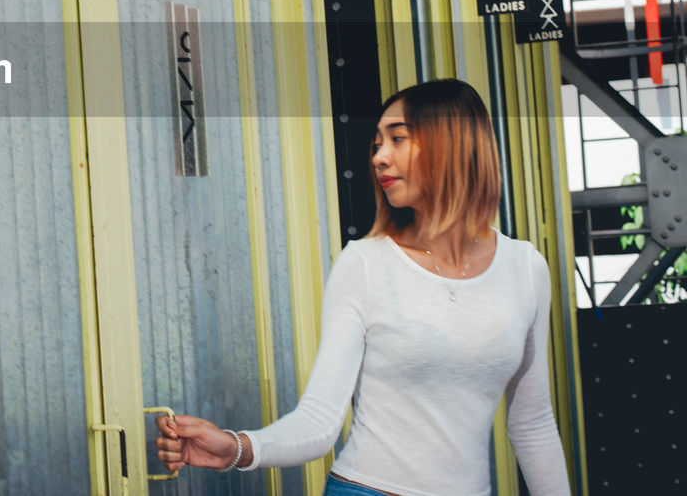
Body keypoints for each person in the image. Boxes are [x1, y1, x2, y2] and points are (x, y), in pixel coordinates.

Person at [155, 78, 571, 496]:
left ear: (452, 144)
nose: (379, 158)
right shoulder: (366, 263)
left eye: (398, 139)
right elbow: (319, 421)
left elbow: (532, 423)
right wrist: (239, 448)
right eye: (377, 144)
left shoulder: (525, 268)